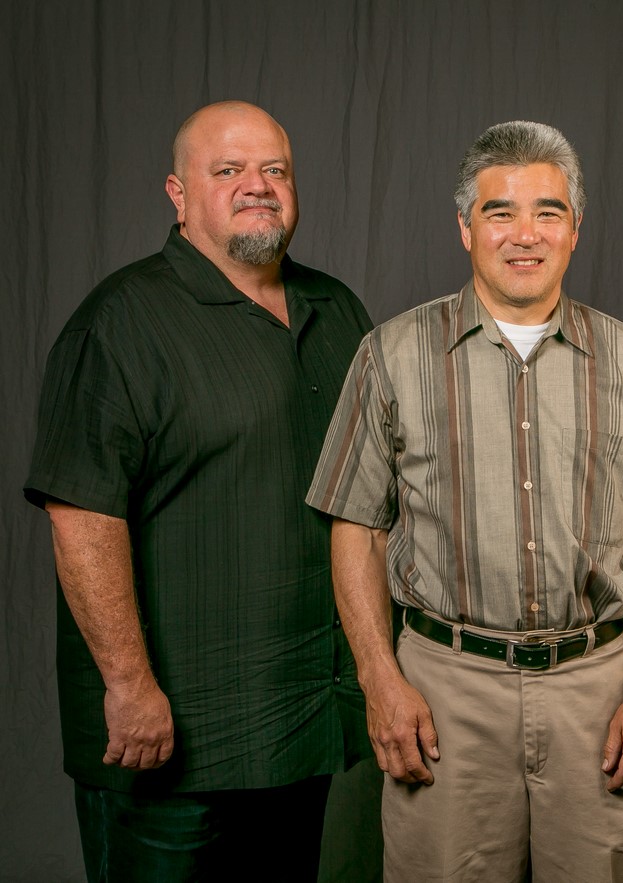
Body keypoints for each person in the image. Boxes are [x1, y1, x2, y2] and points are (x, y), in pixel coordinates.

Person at [306, 120, 623, 882]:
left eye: (548, 211)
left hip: (599, 691)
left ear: (576, 227)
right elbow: (354, 527)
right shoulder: (391, 355)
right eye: (500, 211)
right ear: (465, 226)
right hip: (444, 691)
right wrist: (380, 681)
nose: (524, 234)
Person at [25, 100, 373, 882]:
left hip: (300, 726)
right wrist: (128, 683)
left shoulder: (338, 310)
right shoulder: (118, 324)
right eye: (229, 171)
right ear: (179, 195)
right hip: (172, 741)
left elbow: (372, 501)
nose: (258, 186)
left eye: (274, 170)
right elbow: (81, 514)